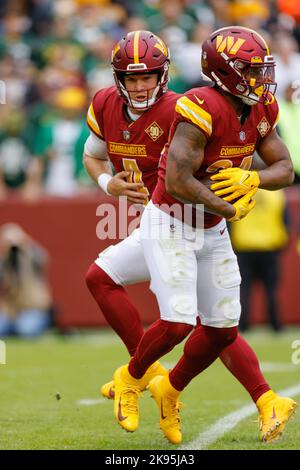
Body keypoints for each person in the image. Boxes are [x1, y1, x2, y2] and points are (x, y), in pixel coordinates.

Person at [110, 27, 297, 445]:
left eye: (262, 69)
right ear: (224, 72)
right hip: (170, 221)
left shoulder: (261, 107)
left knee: (221, 328)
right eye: (251, 70)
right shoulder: (201, 106)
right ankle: (129, 378)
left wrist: (252, 178)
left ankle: (169, 390)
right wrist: (231, 206)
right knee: (177, 323)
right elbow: (177, 180)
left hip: (209, 227)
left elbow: (284, 168)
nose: (262, 79)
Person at [231, 188, 290, 331]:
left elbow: (230, 220)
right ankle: (275, 325)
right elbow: (285, 221)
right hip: (270, 245)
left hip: (244, 245)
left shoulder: (239, 190)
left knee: (244, 288)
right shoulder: (277, 193)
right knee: (271, 288)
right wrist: (282, 243)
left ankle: (243, 325)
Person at [0, 223, 51, 337]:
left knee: (26, 329)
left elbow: (43, 257)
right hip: (11, 311)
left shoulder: (32, 260)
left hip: (32, 309)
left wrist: (23, 241)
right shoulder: (4, 264)